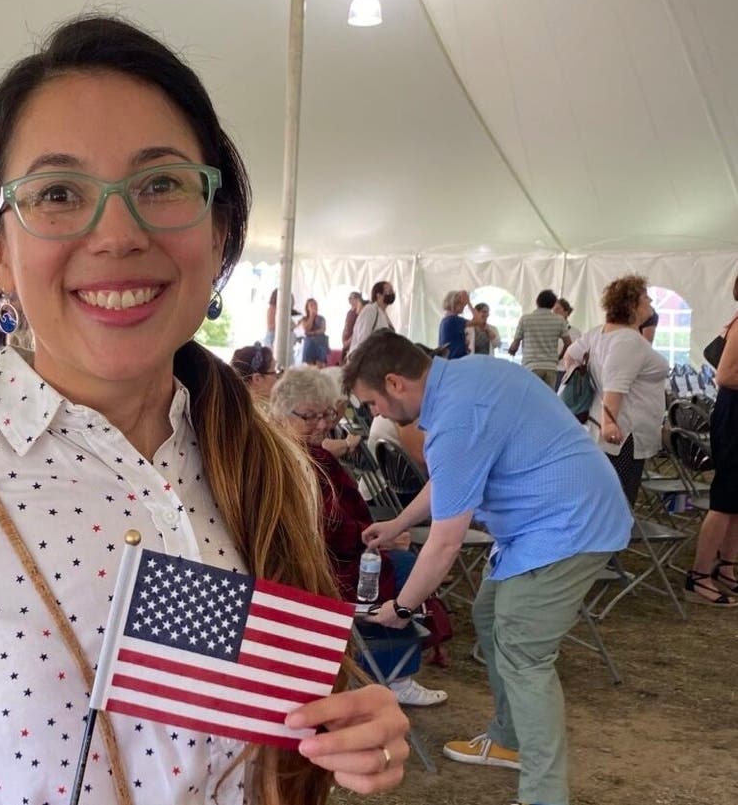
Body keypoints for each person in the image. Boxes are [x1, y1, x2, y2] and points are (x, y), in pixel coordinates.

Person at [0, 16, 408, 805]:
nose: (116, 232)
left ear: (218, 228)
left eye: (160, 184)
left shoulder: (269, 468)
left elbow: (264, 738)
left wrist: (349, 737)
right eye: (58, 193)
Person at [345, 331, 631, 805]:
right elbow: (453, 479)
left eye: (372, 402)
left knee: (524, 655)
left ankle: (544, 795)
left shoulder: (456, 420)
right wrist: (398, 520)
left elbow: (445, 543)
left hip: (568, 526)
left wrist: (404, 605)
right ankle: (508, 738)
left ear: (395, 383)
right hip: (555, 517)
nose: (373, 414)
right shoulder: (466, 375)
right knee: (487, 613)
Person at [269, 367, 446, 707]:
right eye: (309, 417)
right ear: (281, 415)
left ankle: (393, 673)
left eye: (325, 415)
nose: (321, 425)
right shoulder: (285, 461)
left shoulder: (307, 453)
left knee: (402, 570)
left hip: (329, 551)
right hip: (310, 564)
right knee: (402, 575)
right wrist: (375, 540)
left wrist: (381, 534)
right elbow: (318, 525)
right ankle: (394, 675)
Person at [565, 275, 668, 507]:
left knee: (605, 496)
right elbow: (616, 384)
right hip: (623, 432)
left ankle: (602, 539)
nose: (650, 300)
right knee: (618, 501)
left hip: (606, 427)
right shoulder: (628, 340)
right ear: (631, 304)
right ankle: (610, 542)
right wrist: (610, 421)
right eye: (645, 296)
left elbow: (570, 357)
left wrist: (591, 383)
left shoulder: (598, 333)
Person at [687, 273, 738, 606]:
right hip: (735, 416)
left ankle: (728, 567)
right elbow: (725, 375)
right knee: (725, 497)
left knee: (737, 500)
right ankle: (699, 575)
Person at [508, 289, 573, 388]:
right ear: (552, 305)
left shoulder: (525, 319)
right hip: (551, 367)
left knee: (532, 398)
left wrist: (512, 350)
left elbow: (515, 344)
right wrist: (558, 357)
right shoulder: (559, 320)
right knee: (546, 399)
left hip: (531, 366)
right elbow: (568, 344)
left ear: (537, 302)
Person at [349, 280, 395, 354]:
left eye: (392, 291)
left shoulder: (383, 313)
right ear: (378, 295)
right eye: (389, 291)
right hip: (365, 359)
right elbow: (363, 339)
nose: (392, 293)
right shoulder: (370, 310)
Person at [554, 297, 581, 388]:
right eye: (553, 309)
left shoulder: (575, 333)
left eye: (557, 309)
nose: (554, 312)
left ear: (566, 312)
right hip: (550, 370)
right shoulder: (548, 330)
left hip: (565, 372)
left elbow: (578, 355)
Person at [437, 290, 470, 359]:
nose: (463, 306)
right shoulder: (454, 319)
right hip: (454, 361)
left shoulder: (445, 320)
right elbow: (478, 320)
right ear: (454, 303)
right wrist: (468, 302)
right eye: (461, 303)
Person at [297, 298, 329, 366]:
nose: (314, 307)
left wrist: (312, 333)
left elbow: (322, 330)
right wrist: (311, 317)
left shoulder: (321, 318)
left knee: (320, 364)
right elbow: (306, 329)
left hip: (320, 342)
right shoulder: (304, 319)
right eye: (311, 305)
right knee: (310, 365)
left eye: (315, 305)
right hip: (309, 343)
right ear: (307, 308)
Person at [340, 291, 365, 361]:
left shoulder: (360, 312)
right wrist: (343, 339)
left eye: (352, 298)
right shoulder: (349, 312)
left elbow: (358, 329)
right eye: (349, 298)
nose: (349, 300)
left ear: (357, 299)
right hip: (346, 341)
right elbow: (346, 326)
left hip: (354, 341)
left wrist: (349, 341)